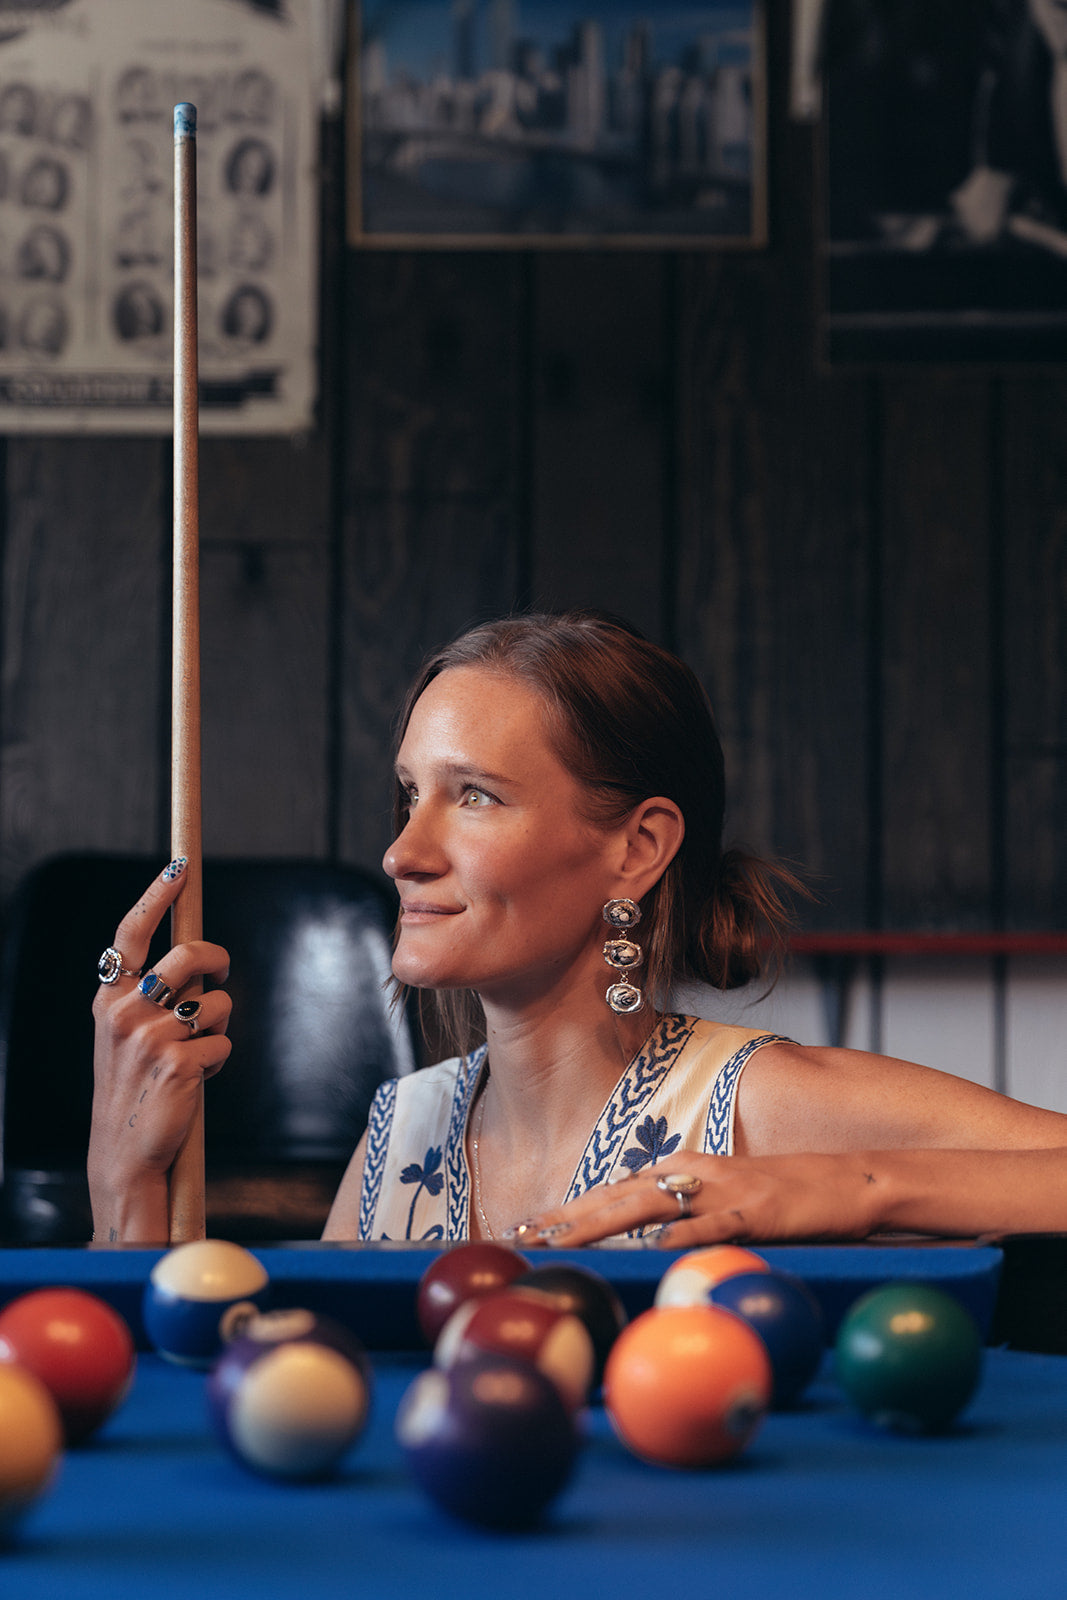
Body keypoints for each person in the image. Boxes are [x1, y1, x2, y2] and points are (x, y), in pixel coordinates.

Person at [88, 610, 1067, 1248]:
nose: (400, 851)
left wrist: (849, 1188)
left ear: (636, 849)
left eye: (472, 796)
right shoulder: (401, 1134)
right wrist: (124, 1180)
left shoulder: (755, 1106)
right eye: (407, 795)